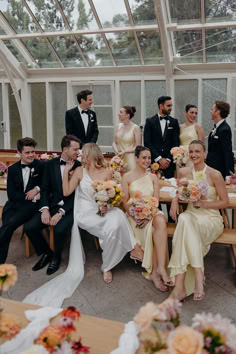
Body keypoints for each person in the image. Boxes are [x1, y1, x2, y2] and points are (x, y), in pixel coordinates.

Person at [168, 140, 228, 301]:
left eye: (198, 151)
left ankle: (181, 285)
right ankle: (197, 276)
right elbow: (178, 191)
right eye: (191, 151)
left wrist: (203, 203)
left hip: (210, 219)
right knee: (185, 219)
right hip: (191, 216)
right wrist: (174, 201)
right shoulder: (184, 173)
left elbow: (225, 202)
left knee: (184, 224)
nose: (194, 154)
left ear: (204, 153)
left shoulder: (215, 174)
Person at [24, 135, 81, 275]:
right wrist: (45, 210)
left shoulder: (79, 166)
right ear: (65, 149)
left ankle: (56, 257)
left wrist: (61, 212)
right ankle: (46, 252)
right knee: (29, 227)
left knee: (60, 230)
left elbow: (76, 195)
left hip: (70, 207)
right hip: (52, 204)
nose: (78, 152)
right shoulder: (50, 164)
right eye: (75, 149)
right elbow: (45, 188)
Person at [122, 145, 173, 291]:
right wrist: (136, 215)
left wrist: (148, 214)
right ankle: (155, 274)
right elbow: (125, 201)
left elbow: (155, 200)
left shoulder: (153, 177)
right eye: (144, 157)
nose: (147, 160)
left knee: (161, 220)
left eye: (149, 158)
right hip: (134, 215)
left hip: (152, 211)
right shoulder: (127, 177)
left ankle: (161, 269)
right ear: (136, 158)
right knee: (155, 230)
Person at [0, 137, 45, 264]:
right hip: (13, 204)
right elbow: (11, 195)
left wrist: (37, 189)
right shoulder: (13, 169)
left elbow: (48, 183)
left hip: (31, 206)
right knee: (6, 228)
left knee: (8, 225)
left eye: (33, 152)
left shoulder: (41, 165)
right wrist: (28, 195)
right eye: (27, 152)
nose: (31, 155)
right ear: (19, 153)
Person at [144, 96, 180, 179]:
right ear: (161, 106)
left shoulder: (174, 122)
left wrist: (168, 159)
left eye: (171, 106)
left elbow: (176, 143)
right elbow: (147, 142)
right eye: (168, 106)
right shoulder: (150, 121)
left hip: (169, 164)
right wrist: (159, 159)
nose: (171, 108)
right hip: (154, 161)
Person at [206, 100, 234, 179]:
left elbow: (227, 151)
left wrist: (228, 173)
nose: (210, 111)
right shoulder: (216, 127)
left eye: (212, 109)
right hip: (211, 168)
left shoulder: (224, 129)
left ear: (218, 111)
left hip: (219, 170)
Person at [112, 106, 141, 171]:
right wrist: (116, 151)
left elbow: (138, 147)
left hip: (130, 160)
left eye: (121, 112)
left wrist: (125, 151)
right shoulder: (118, 126)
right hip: (118, 159)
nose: (118, 114)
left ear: (127, 115)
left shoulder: (135, 128)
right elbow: (114, 142)